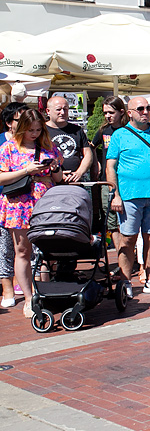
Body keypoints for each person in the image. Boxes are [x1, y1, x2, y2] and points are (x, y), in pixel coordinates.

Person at [106, 97, 150, 296]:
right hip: (129, 196)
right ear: (130, 113)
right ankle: (125, 282)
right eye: (141, 108)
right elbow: (111, 166)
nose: (145, 112)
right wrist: (115, 194)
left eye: (148, 108)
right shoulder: (120, 135)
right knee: (128, 240)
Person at [0, 109, 64, 318]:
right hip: (18, 203)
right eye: (30, 130)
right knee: (22, 251)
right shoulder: (9, 148)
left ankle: (45, 291)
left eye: (38, 130)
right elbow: (1, 178)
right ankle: (28, 297)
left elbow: (58, 177)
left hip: (43, 202)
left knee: (46, 249)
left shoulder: (48, 147)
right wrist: (26, 171)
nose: (34, 134)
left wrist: (53, 168)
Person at [91, 96, 127, 258]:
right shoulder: (103, 130)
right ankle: (121, 259)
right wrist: (96, 164)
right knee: (111, 222)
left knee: (127, 222)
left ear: (121, 112)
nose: (107, 116)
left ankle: (128, 256)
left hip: (127, 179)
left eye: (111, 112)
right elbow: (91, 147)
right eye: (105, 112)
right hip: (108, 181)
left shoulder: (128, 130)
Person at [0, 102, 28, 308]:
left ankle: (26, 286)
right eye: (21, 119)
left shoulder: (30, 141)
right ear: (10, 123)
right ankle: (7, 289)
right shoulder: (2, 143)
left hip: (26, 202)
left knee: (25, 248)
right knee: (4, 248)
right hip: (4, 201)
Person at [45, 96, 92, 183]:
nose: (62, 112)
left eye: (65, 109)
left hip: (74, 181)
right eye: (58, 109)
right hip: (50, 182)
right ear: (48, 111)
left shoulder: (77, 130)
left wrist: (79, 173)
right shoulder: (41, 131)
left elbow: (88, 154)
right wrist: (57, 174)